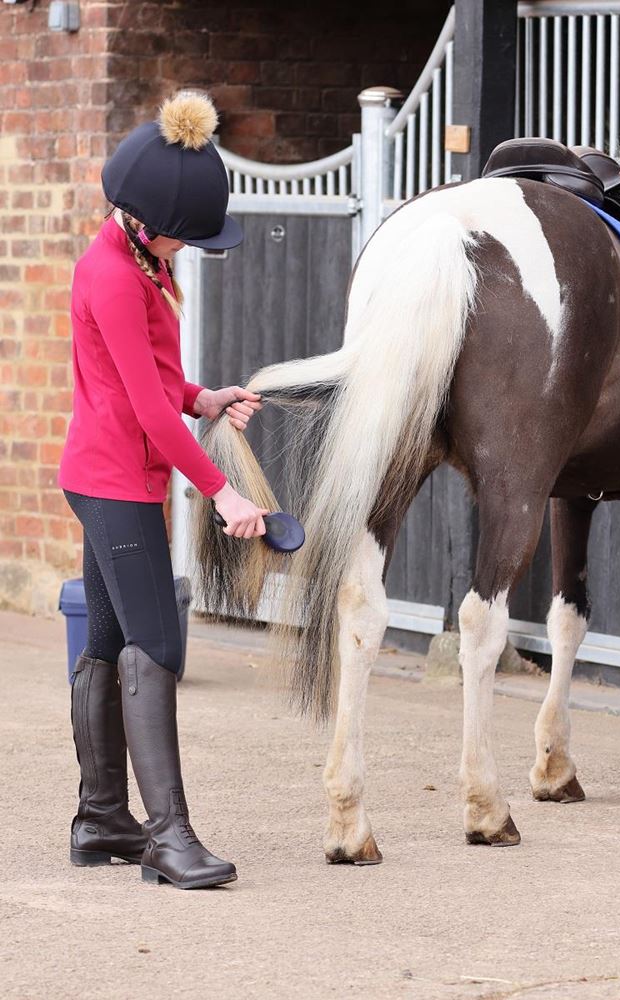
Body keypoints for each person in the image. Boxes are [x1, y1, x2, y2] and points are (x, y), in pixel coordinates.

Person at [60, 91, 268, 888]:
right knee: (158, 644)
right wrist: (222, 491)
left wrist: (203, 398)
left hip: (103, 474)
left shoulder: (127, 259)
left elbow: (151, 380)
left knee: (111, 644)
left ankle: (101, 817)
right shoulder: (113, 275)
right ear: (148, 222)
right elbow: (144, 407)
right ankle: (168, 837)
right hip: (117, 482)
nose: (191, 247)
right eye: (186, 233)